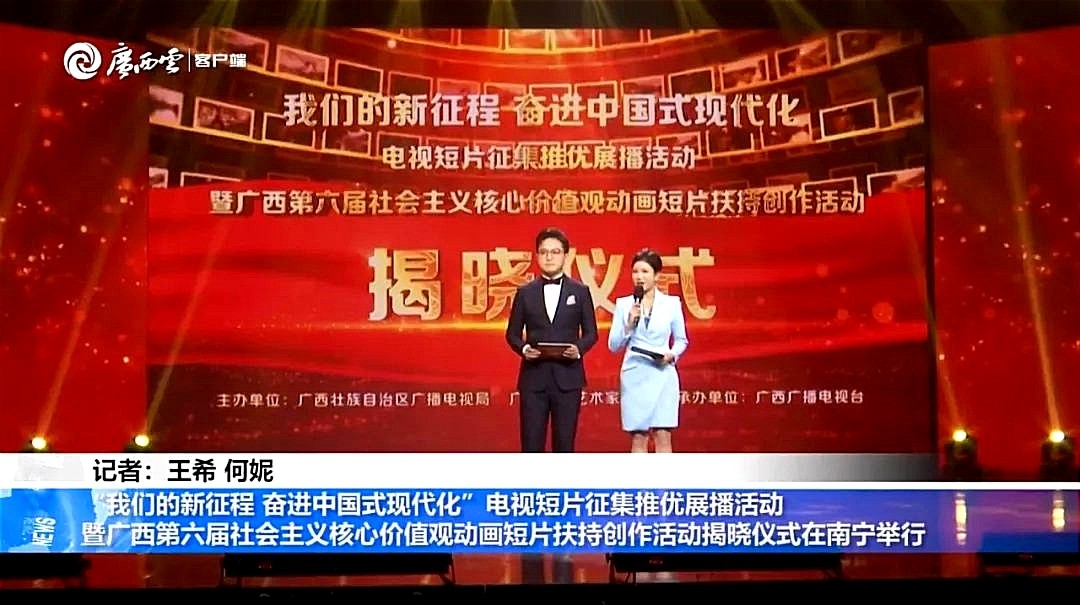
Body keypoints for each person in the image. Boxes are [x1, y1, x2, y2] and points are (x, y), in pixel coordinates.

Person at [505, 227, 598, 454]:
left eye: (555, 252)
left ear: (566, 255)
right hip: (533, 380)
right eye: (544, 252)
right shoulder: (525, 292)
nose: (549, 257)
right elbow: (512, 334)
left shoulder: (580, 291)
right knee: (531, 445)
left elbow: (591, 333)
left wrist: (578, 349)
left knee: (564, 445)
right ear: (537, 255)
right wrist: (524, 349)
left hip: (568, 380)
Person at [608, 248, 689, 453]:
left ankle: (664, 476)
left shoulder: (671, 304)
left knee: (663, 434)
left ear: (657, 275)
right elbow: (613, 345)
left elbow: (681, 340)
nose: (639, 277)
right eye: (635, 272)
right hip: (634, 374)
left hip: (663, 374)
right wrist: (629, 325)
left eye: (645, 272)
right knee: (639, 436)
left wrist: (672, 354)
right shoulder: (624, 304)